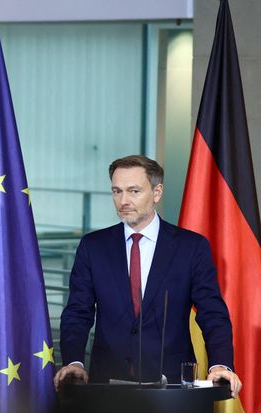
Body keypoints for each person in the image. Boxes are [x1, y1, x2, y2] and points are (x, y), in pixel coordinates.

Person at [55, 155, 241, 396]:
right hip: (107, 386)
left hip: (174, 388)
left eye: (133, 191)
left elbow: (212, 312)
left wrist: (220, 364)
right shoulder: (93, 247)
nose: (123, 200)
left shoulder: (191, 247)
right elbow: (78, 312)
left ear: (157, 192)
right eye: (116, 191)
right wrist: (74, 362)